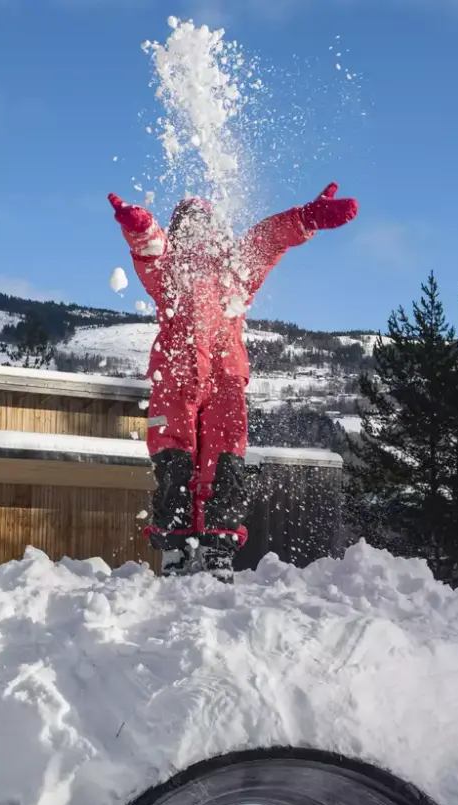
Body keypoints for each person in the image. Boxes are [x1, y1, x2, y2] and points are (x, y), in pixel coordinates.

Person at [108, 184, 359, 581]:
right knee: (175, 467)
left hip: (225, 379)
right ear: (177, 231)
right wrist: (139, 228)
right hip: (176, 380)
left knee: (225, 467)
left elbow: (267, 241)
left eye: (201, 224)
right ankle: (174, 549)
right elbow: (150, 254)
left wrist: (306, 218)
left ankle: (217, 549)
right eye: (186, 225)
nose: (195, 232)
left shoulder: (235, 269)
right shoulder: (171, 271)